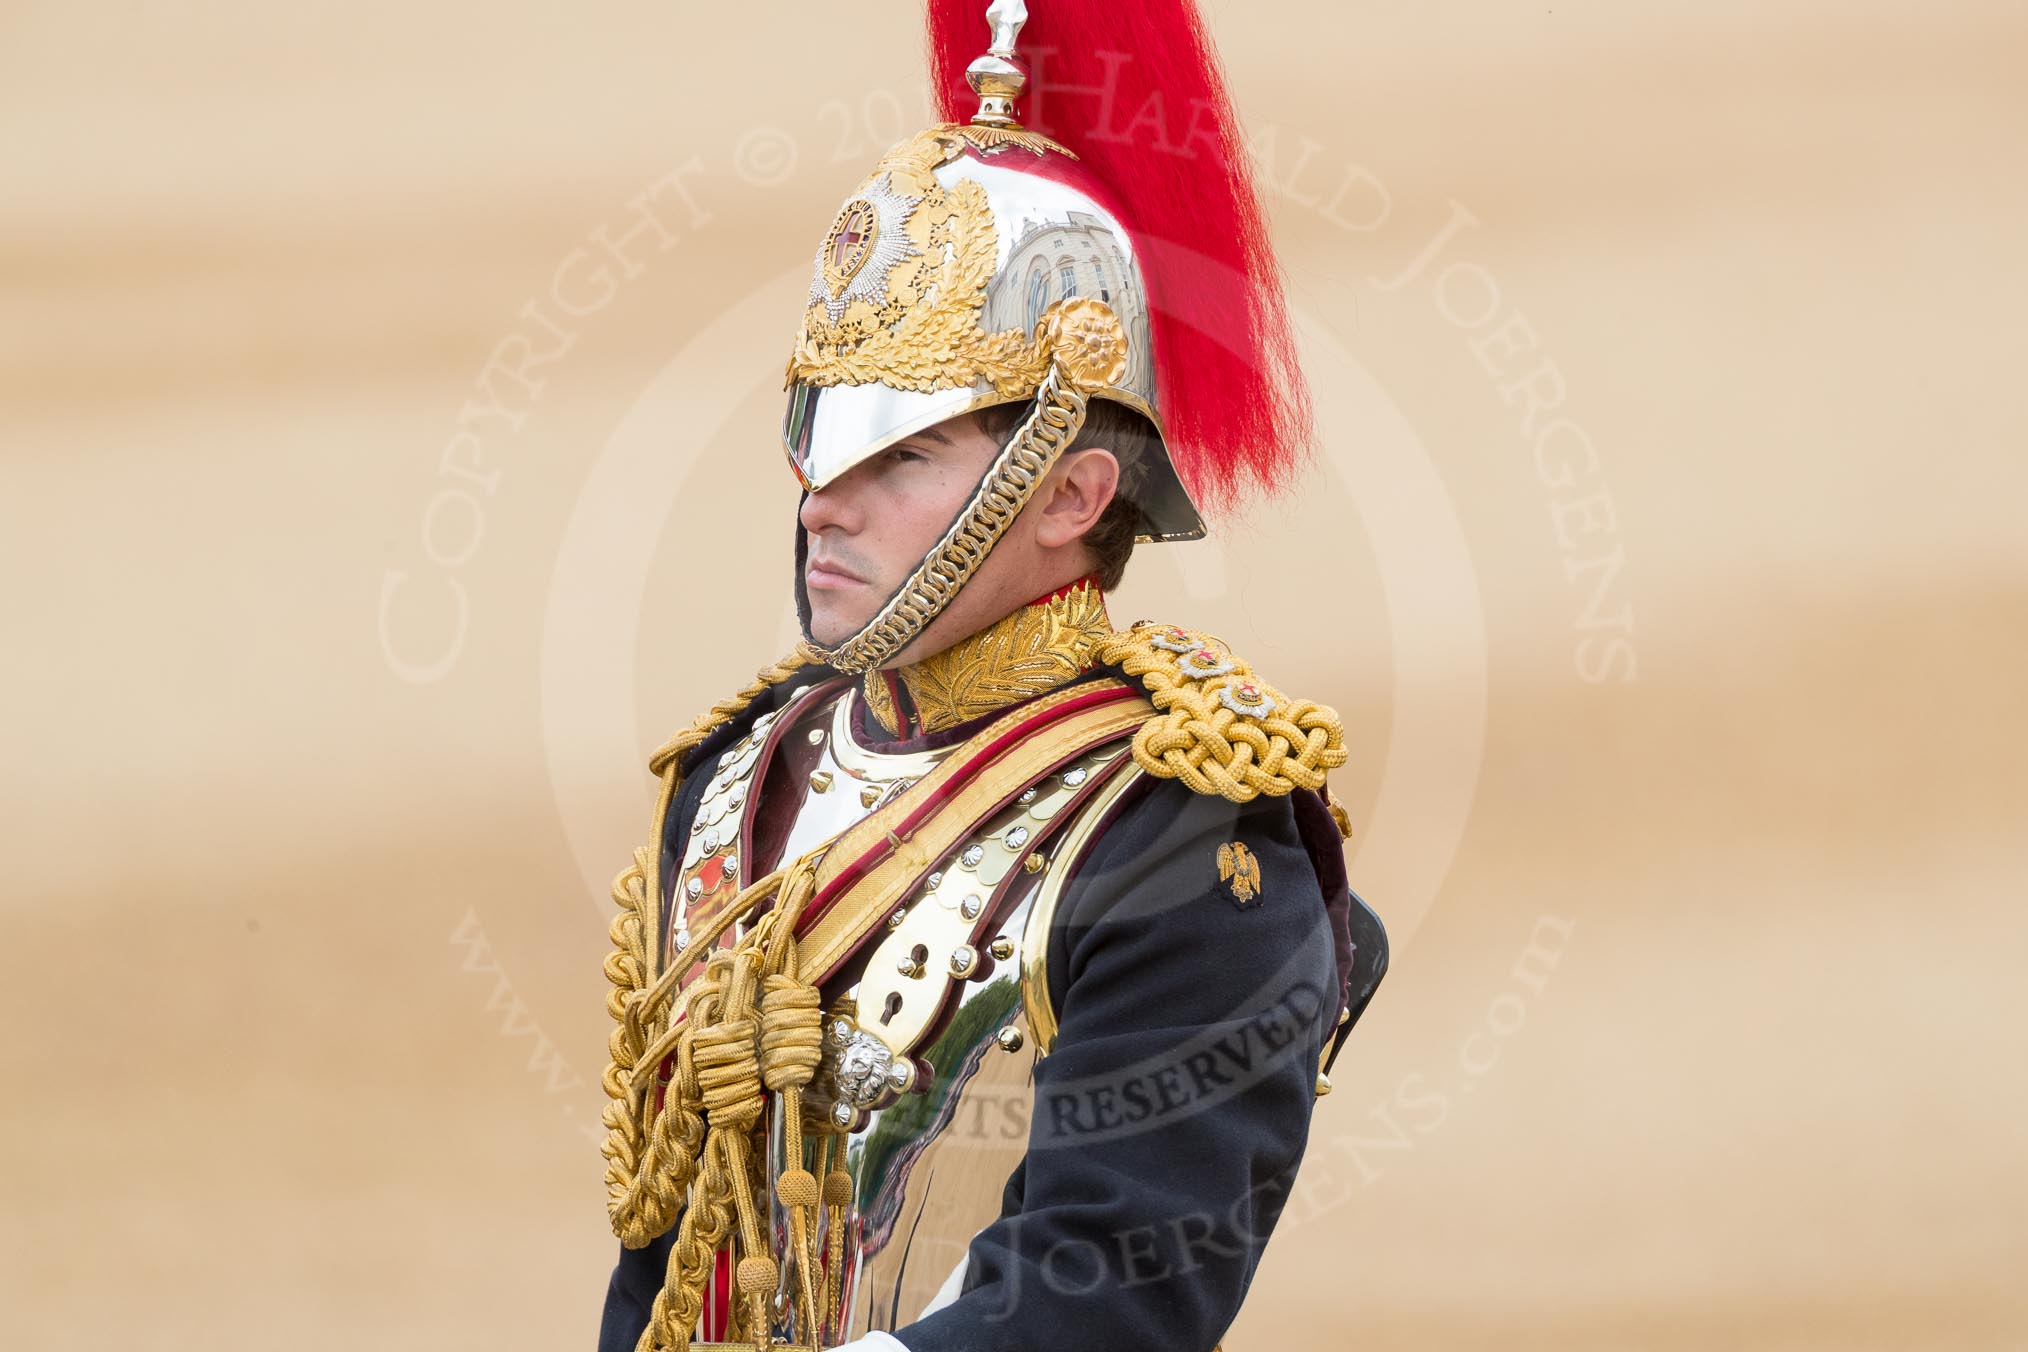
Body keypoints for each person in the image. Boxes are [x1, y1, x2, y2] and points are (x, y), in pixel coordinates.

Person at [594, 3, 1387, 1349]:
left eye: (901, 455)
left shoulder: (1183, 842)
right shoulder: (737, 779)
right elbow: (669, 1266)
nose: (823, 502)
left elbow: (1108, 1299)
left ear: (1072, 492)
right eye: (821, 436)